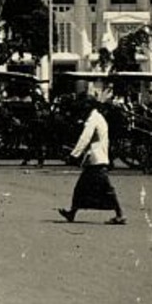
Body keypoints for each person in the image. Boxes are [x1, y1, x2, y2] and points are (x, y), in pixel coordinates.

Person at [58, 88, 126, 225]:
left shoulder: (92, 120)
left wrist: (74, 154)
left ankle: (120, 214)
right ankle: (72, 212)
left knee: (106, 189)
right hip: (97, 159)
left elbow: (85, 138)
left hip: (97, 159)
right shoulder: (98, 118)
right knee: (81, 188)